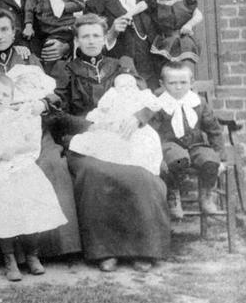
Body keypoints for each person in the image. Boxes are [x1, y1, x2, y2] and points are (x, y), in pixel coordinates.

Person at [50, 14, 170, 273]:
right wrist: (88, 125)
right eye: (85, 36)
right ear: (76, 40)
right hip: (84, 140)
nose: (91, 41)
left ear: (105, 38)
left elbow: (147, 100)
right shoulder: (65, 70)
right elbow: (55, 114)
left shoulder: (121, 66)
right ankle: (106, 250)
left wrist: (138, 118)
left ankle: (142, 249)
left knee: (140, 175)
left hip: (124, 137)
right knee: (95, 172)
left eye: (96, 35)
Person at [0, 8, 82, 260]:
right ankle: (8, 253)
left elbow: (50, 94)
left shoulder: (28, 59)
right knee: (3, 174)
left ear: (14, 32)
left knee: (51, 164)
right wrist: (3, 106)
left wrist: (42, 104)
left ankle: (53, 249)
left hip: (31, 130)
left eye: (4, 30)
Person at [0, 74, 67, 282]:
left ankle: (32, 255)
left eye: (5, 95)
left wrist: (14, 148)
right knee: (4, 216)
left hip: (20, 169)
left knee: (29, 212)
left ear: (12, 98)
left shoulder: (19, 118)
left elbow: (31, 144)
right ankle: (9, 258)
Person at [151, 62, 224, 219]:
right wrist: (156, 157)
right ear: (162, 84)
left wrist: (220, 156)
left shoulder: (198, 102)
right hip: (171, 146)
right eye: (172, 83)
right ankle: (173, 195)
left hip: (196, 145)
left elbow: (214, 130)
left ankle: (206, 194)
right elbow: (152, 133)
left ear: (191, 82)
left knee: (210, 160)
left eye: (183, 82)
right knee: (177, 161)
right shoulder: (158, 104)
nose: (178, 87)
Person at [85, 0, 158, 87]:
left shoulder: (150, 2)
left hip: (151, 83)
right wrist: (111, 34)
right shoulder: (94, 6)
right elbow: (88, 50)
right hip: (114, 83)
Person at [69, 73, 163, 176]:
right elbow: (102, 107)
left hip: (137, 127)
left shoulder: (140, 94)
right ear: (115, 88)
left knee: (145, 142)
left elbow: (155, 103)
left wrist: (140, 116)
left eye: (131, 85)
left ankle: (143, 169)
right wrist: (94, 120)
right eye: (123, 86)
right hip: (113, 127)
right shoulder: (113, 95)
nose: (128, 88)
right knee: (109, 147)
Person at [146, 0, 204, 66]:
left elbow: (198, 15)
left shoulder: (183, 1)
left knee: (184, 66)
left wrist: (189, 25)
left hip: (183, 40)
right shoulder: (154, 4)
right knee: (166, 67)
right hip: (165, 41)